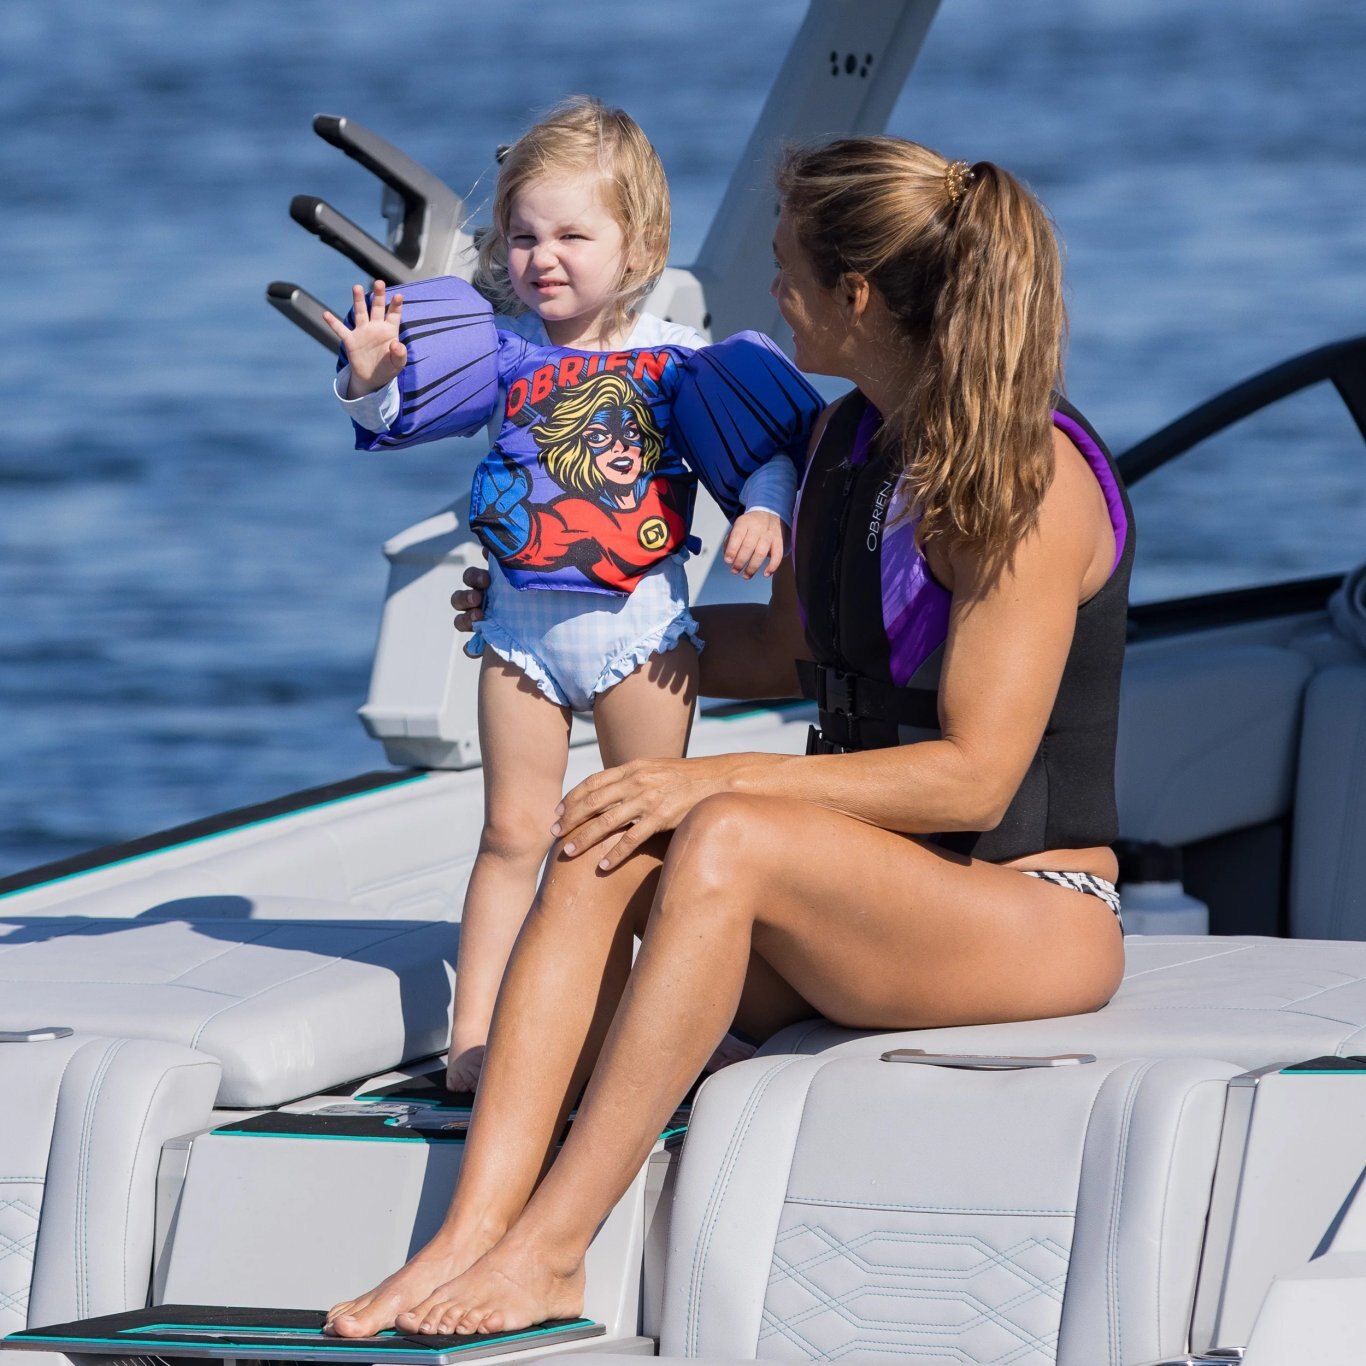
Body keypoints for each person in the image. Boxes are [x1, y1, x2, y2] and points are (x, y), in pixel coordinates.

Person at [324, 134, 1132, 1340]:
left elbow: (976, 776)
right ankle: (464, 1233)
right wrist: (568, 608)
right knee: (606, 829)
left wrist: (704, 782)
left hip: (1031, 906)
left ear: (855, 295)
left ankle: (551, 1254)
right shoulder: (844, 443)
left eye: (786, 267)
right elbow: (780, 652)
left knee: (718, 829)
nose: (770, 290)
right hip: (867, 896)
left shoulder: (1028, 477)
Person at [324, 97, 818, 1094]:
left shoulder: (682, 360)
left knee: (649, 843)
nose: (542, 258)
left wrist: (764, 513)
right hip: (518, 638)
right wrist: (370, 379)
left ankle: (673, 1029)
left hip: (642, 640)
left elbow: (764, 450)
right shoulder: (502, 355)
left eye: (571, 236)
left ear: (640, 246)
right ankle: (474, 1039)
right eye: (523, 237)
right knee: (512, 837)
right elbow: (398, 417)